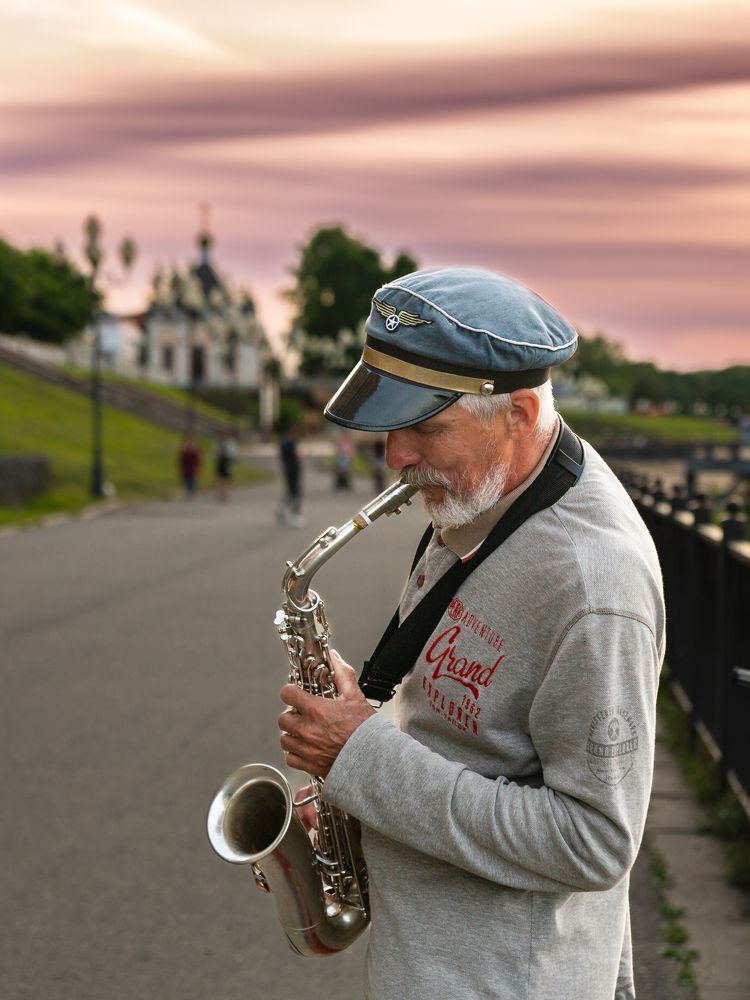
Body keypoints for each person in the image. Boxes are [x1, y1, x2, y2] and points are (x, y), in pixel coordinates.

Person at [277, 267, 665, 1000]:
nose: (395, 457)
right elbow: (471, 717)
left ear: (519, 413)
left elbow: (596, 841)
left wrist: (362, 758)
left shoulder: (593, 583)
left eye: (426, 428)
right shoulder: (484, 494)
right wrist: (356, 775)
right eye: (391, 426)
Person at [278, 424, 304, 527]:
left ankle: (282, 508)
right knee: (296, 492)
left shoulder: (283, 441)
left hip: (287, 467)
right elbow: (297, 454)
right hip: (294, 468)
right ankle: (295, 515)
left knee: (290, 489)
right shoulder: (293, 441)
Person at [214, 429, 237, 502]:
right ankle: (221, 492)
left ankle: (227, 492)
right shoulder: (218, 441)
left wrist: (232, 460)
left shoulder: (230, 442)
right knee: (220, 477)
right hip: (220, 460)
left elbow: (233, 452)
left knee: (227, 477)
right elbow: (215, 451)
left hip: (227, 460)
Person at [178, 432, 201, 497]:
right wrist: (180, 468)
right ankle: (188, 492)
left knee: (193, 480)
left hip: (193, 467)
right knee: (186, 479)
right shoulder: (184, 449)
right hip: (186, 467)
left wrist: (198, 467)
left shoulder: (195, 449)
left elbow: (198, 460)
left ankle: (192, 492)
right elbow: (181, 460)